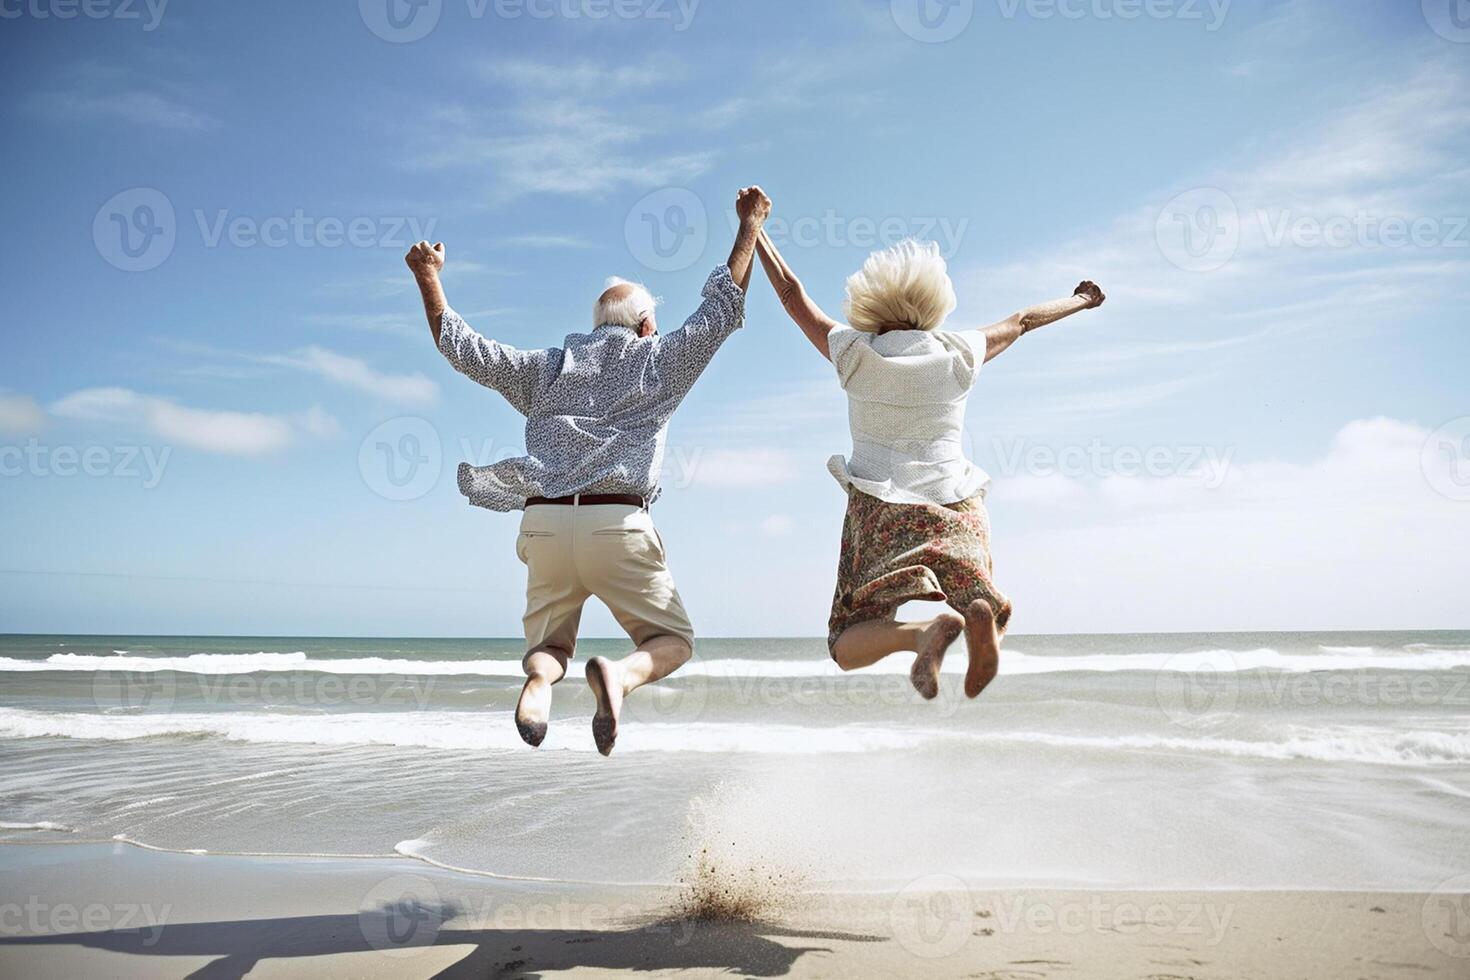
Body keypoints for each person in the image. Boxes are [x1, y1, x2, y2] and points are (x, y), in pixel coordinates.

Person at [404, 186, 772, 755]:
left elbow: (462, 348)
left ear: (595, 323)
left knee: (550, 645)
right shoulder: (659, 361)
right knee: (670, 639)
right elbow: (720, 311)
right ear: (646, 326)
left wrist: (429, 275)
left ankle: (538, 687)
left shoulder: (546, 368)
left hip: (545, 524)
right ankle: (620, 679)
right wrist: (749, 225)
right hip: (617, 523)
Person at [752, 230, 1104, 699]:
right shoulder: (958, 351)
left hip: (880, 511)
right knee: (983, 602)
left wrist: (755, 229)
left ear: (869, 304)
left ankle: (920, 634)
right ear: (933, 302)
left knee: (846, 640)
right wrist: (1079, 299)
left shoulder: (855, 353)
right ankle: (982, 624)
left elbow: (793, 295)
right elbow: (1022, 321)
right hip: (957, 507)